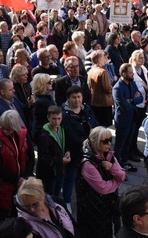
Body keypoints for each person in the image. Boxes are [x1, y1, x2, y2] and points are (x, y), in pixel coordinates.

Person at [76, 126, 126, 238]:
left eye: (110, 140)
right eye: (105, 141)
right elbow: (102, 188)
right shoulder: (88, 163)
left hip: (106, 206)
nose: (109, 144)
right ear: (94, 142)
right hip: (91, 209)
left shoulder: (109, 155)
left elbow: (122, 176)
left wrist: (112, 168)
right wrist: (116, 182)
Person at [0, 110, 34, 226]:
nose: (4, 131)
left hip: (21, 182)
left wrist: (25, 177)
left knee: (18, 210)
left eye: (8, 129)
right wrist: (17, 179)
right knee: (1, 212)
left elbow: (31, 157)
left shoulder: (24, 135)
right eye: (3, 128)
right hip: (5, 184)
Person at [61, 84, 99, 212]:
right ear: (68, 99)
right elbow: (69, 133)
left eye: (79, 97)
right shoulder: (65, 114)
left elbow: (94, 123)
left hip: (89, 149)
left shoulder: (86, 109)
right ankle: (66, 201)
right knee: (70, 176)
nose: (77, 100)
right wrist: (85, 143)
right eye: (73, 97)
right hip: (74, 150)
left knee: (88, 175)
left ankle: (85, 198)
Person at [112, 63, 142, 171]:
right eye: (130, 73)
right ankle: (116, 166)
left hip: (132, 118)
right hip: (123, 121)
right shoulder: (117, 88)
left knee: (128, 142)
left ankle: (124, 162)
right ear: (123, 74)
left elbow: (141, 98)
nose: (132, 74)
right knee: (120, 145)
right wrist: (132, 100)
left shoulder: (132, 83)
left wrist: (131, 100)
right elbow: (124, 106)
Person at [87, 50, 114, 127]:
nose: (105, 59)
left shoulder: (91, 70)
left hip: (94, 101)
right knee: (104, 126)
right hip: (104, 102)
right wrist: (113, 89)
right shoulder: (102, 72)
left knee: (97, 124)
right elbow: (107, 88)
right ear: (98, 60)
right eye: (103, 58)